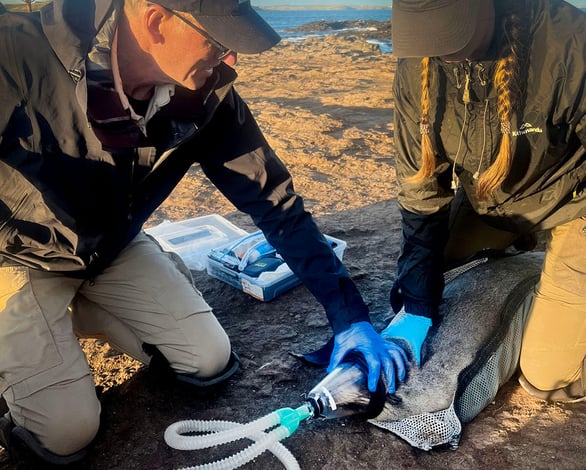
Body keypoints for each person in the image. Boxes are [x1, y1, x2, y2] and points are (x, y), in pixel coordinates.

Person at [0, 0, 409, 465]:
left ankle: (74, 318)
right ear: (155, 20)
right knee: (65, 435)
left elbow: (276, 204)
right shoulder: (13, 52)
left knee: (208, 362)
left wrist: (349, 317)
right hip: (18, 258)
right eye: (218, 41)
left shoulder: (205, 96)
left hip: (111, 248)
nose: (232, 58)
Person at [382, 0, 585, 406]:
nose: (440, 49)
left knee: (547, 377)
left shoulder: (569, 41)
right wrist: (419, 307)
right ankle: (533, 265)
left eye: (450, 31)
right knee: (409, 296)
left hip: (573, 203)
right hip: (491, 202)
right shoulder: (417, 61)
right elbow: (422, 191)